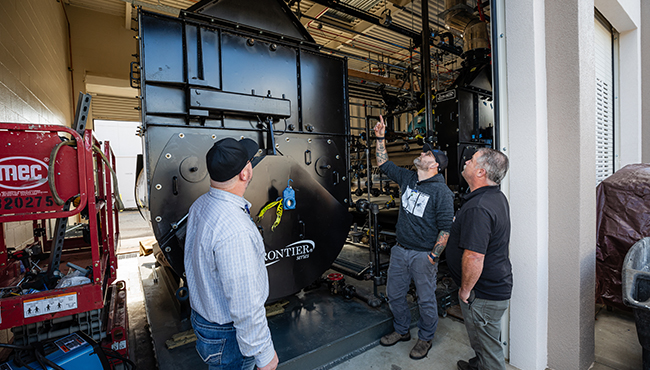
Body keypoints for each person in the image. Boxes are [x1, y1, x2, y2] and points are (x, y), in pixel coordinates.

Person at [184, 137, 279, 370]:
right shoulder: (235, 229)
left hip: (204, 320)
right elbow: (245, 302)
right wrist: (264, 354)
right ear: (245, 173)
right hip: (228, 336)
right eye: (249, 161)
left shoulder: (200, 205)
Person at [374, 115, 454, 360]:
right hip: (400, 250)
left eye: (427, 154)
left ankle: (426, 338)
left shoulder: (442, 193)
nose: (422, 154)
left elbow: (445, 230)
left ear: (435, 166)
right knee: (395, 294)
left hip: (423, 256)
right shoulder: (409, 178)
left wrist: (432, 256)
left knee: (426, 299)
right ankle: (401, 330)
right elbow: (383, 163)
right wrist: (380, 137)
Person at [445, 147, 512, 370]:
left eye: (471, 161)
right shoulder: (493, 197)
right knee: (479, 339)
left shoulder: (479, 207)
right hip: (487, 289)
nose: (466, 162)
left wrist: (465, 290)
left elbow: (474, 256)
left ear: (481, 172)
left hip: (481, 293)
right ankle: (479, 365)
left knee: (489, 348)